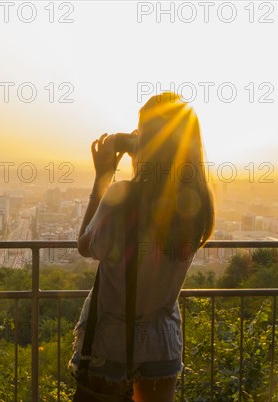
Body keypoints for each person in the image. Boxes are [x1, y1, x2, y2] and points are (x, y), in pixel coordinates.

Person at [70, 92, 214, 402]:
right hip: (162, 338)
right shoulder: (199, 204)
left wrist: (103, 176)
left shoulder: (122, 196)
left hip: (112, 339)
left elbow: (85, 244)